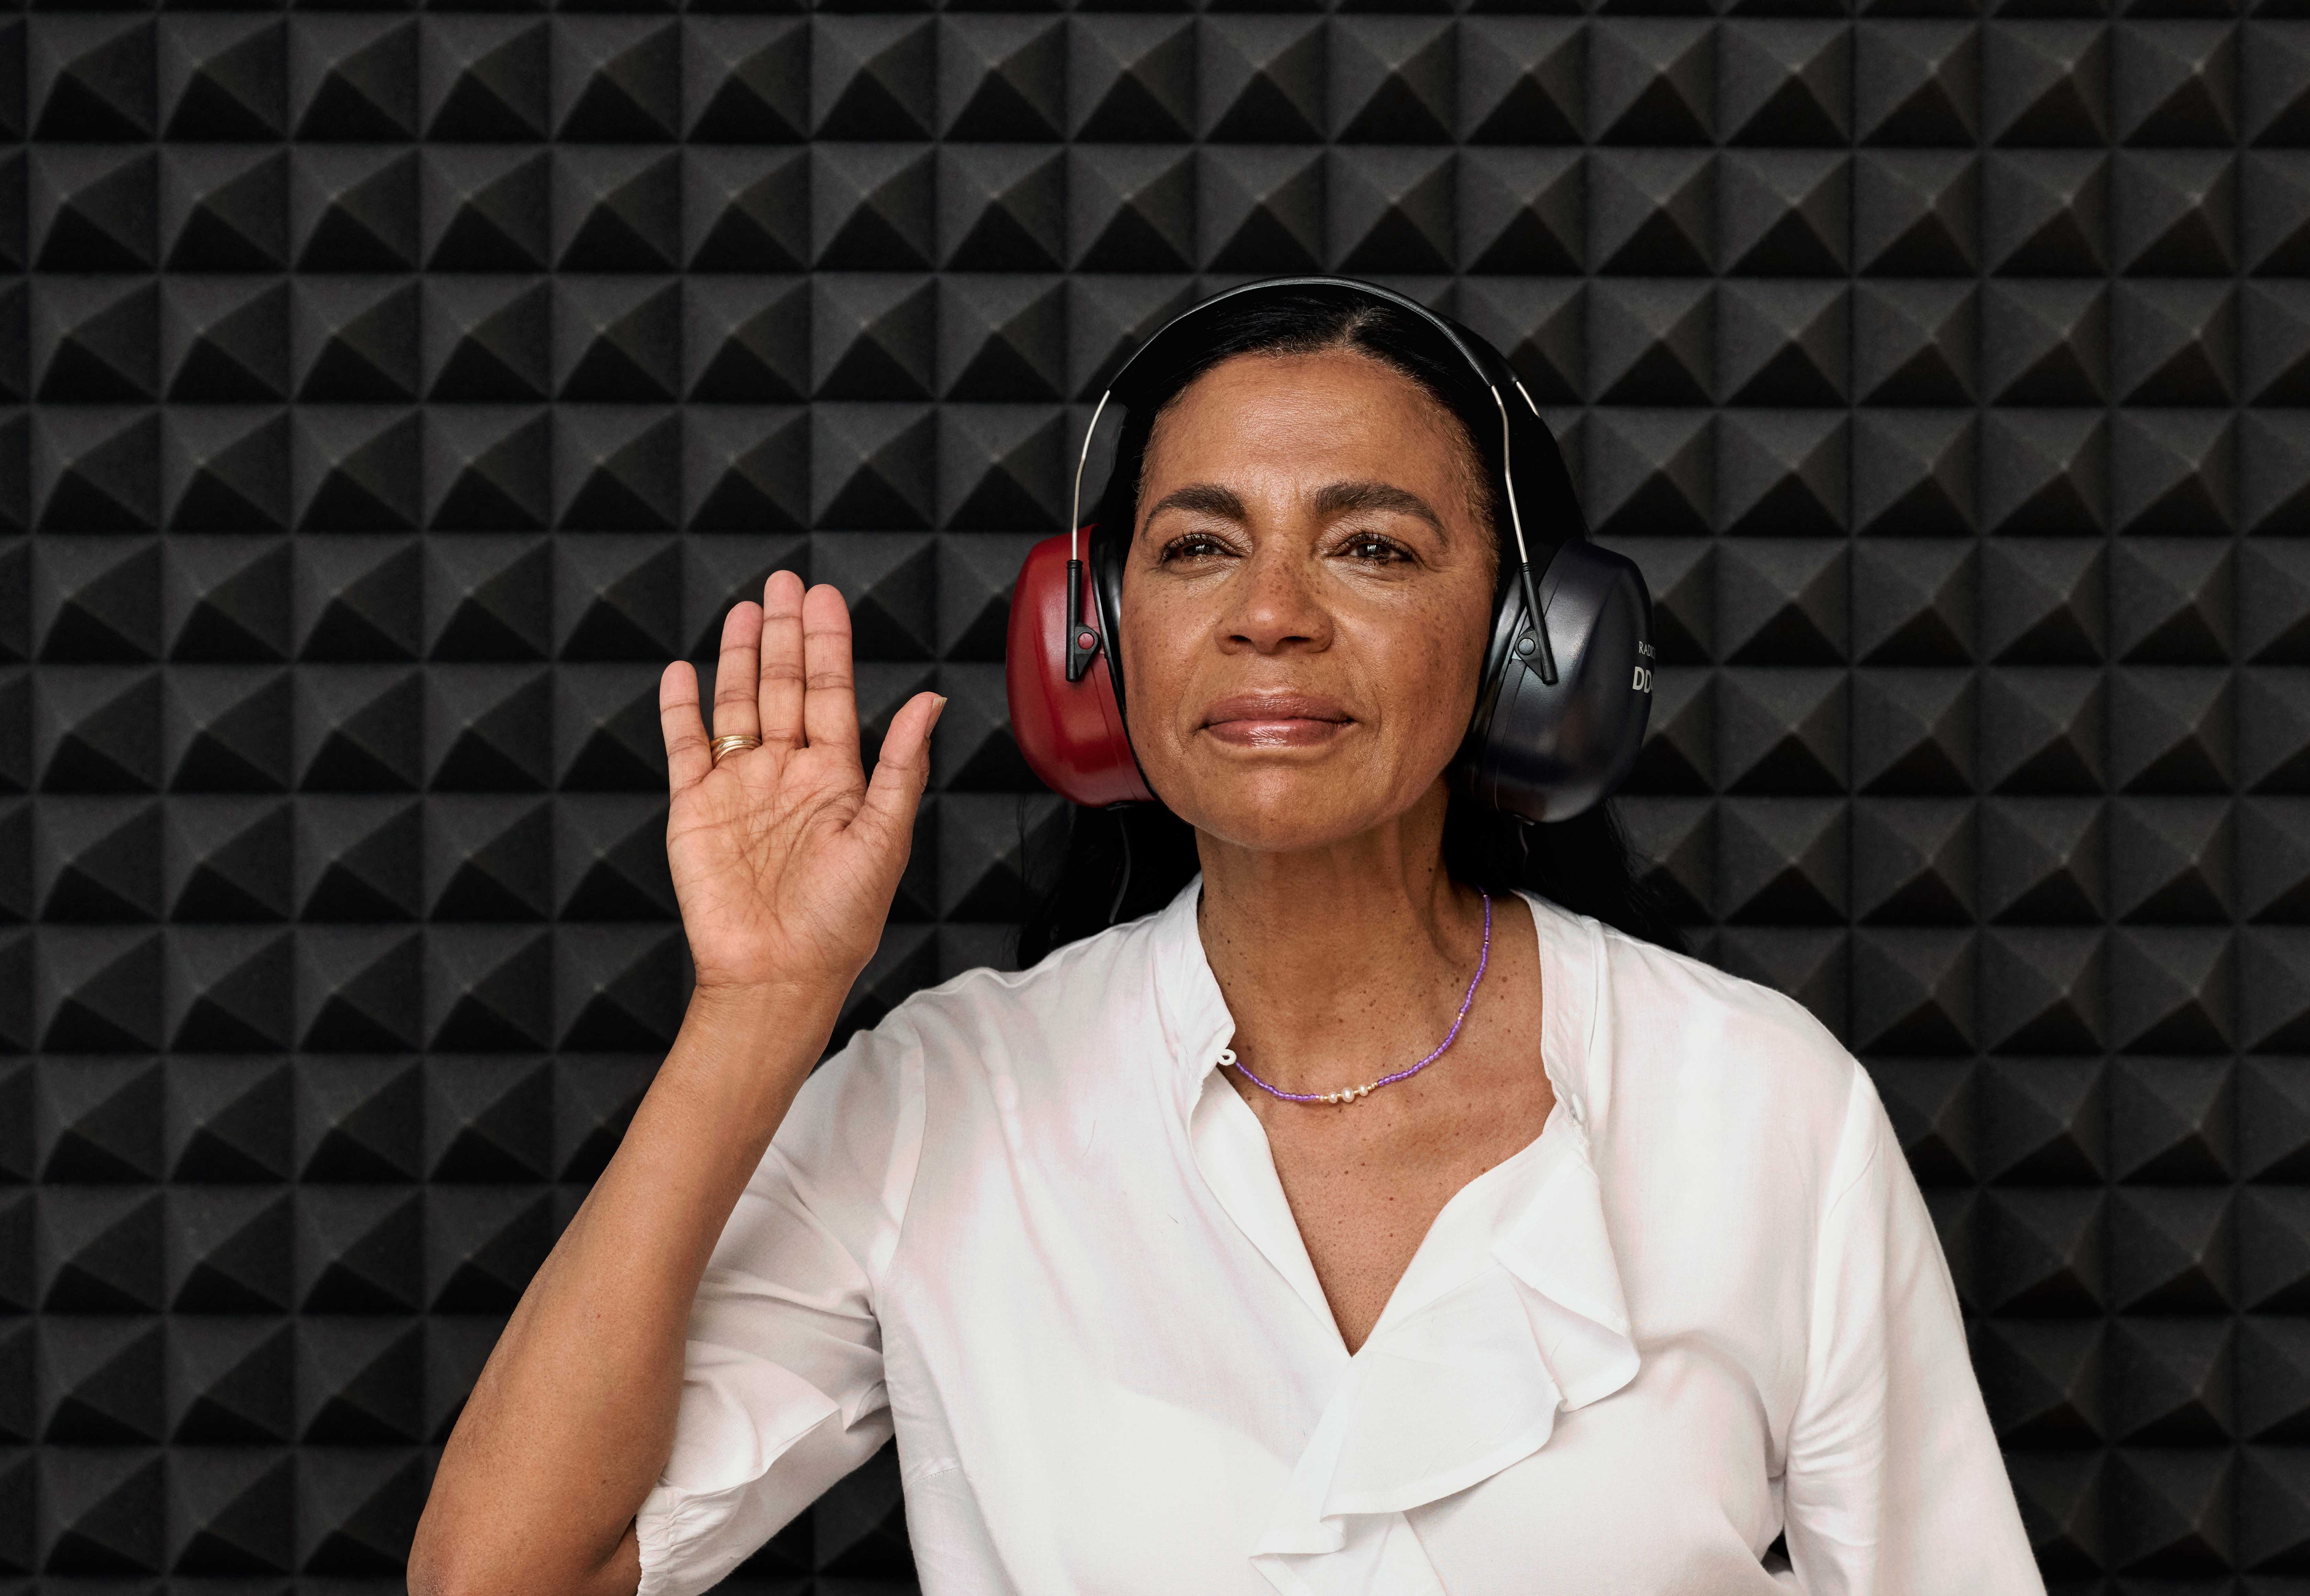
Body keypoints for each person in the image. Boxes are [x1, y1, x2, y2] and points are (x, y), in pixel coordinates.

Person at [409, 280, 2043, 1596]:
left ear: (1534, 646)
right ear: (1094, 643)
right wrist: (757, 1013)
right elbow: (506, 1582)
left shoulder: (1759, 1108)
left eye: (1373, 545)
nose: (1272, 610)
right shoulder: (945, 1100)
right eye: (1196, 545)